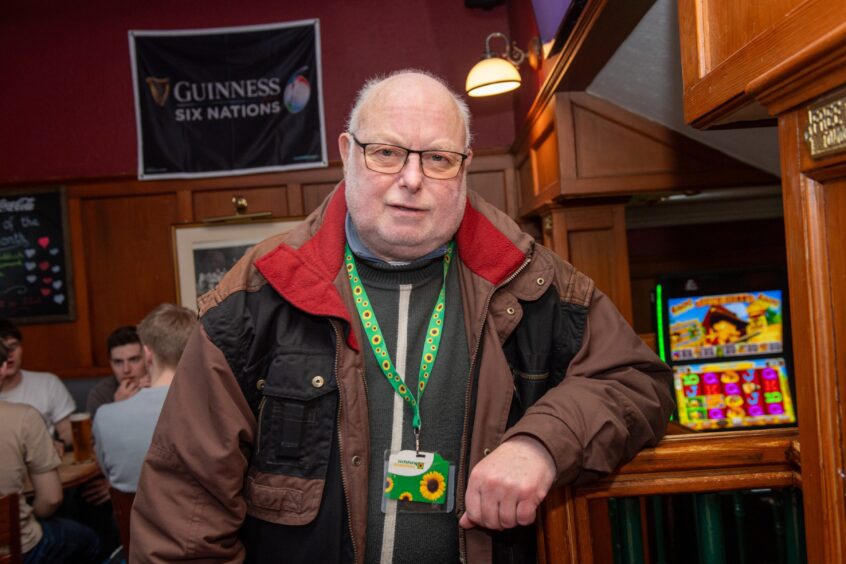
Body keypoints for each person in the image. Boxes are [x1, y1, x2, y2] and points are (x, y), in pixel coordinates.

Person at [131, 70, 675, 563]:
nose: (412, 179)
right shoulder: (259, 291)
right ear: (347, 153)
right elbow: (186, 511)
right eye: (386, 152)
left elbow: (635, 383)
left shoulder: (529, 278)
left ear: (464, 166)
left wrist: (541, 444)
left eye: (437, 158)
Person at [0, 342, 100, 563]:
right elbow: (52, 498)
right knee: (89, 540)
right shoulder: (24, 417)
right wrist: (29, 517)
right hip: (16, 549)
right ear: (2, 369)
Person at [93, 304, 196, 493]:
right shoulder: (216, 405)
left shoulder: (104, 416)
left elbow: (112, 477)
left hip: (135, 520)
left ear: (147, 354)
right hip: (203, 519)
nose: (126, 369)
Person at [0, 318, 75, 448]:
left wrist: (60, 444)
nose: (8, 353)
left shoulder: (47, 383)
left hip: (44, 463)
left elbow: (69, 432)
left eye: (13, 346)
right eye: (1, 349)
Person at [87, 325, 149, 420]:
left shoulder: (162, 386)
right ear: (110, 363)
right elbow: (99, 435)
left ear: (148, 359)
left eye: (134, 359)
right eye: (118, 362)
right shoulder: (100, 395)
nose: (126, 370)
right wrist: (117, 408)